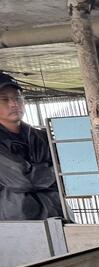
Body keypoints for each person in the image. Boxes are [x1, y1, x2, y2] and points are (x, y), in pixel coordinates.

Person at [0, 72, 63, 221]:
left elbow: (69, 175)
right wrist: (57, 171)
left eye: (17, 98)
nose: (14, 104)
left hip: (57, 216)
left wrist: (56, 172)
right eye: (4, 99)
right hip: (17, 223)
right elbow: (22, 179)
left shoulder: (42, 136)